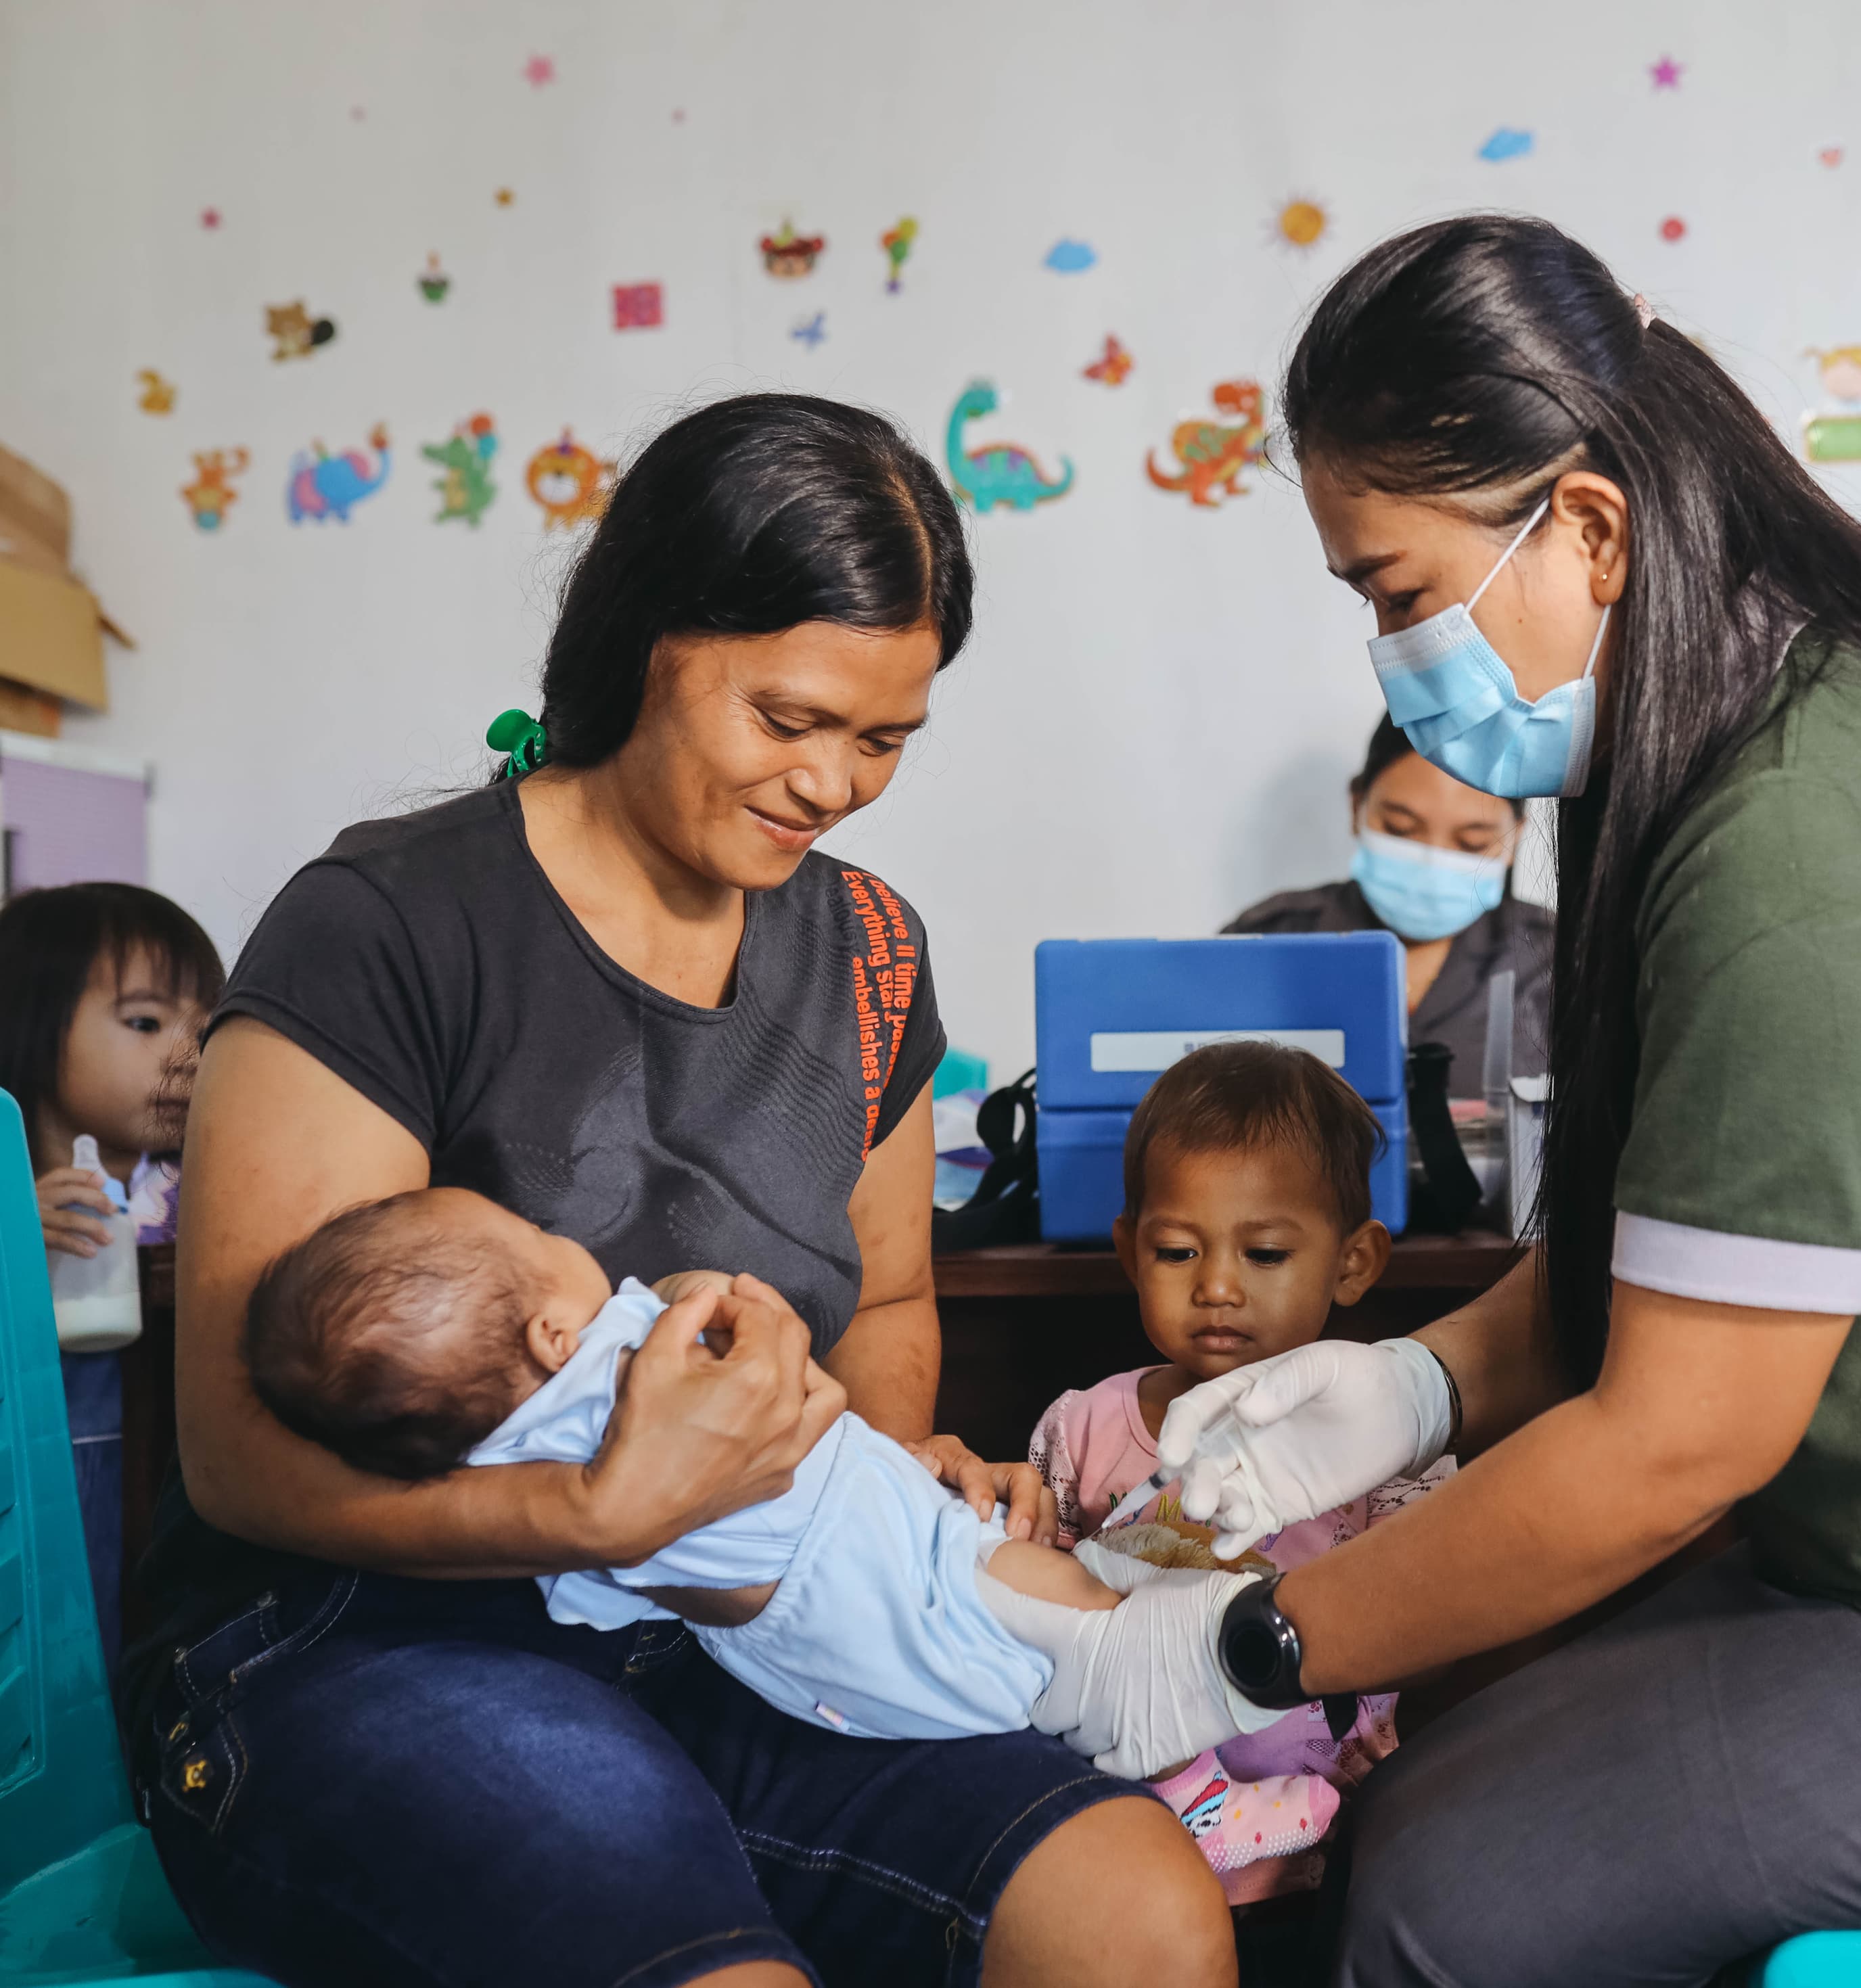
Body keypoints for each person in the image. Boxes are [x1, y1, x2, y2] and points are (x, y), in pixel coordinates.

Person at [1001, 216, 1861, 1985]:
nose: (1384, 649)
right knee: (1452, 1726)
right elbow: (1656, 1240)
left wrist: (1242, 1647)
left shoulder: (1810, 844)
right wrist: (1413, 1380)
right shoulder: (1684, 739)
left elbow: (1680, 1437)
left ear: (1585, 529)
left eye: (1391, 589)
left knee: (1451, 1887)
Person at [124, 394, 1232, 1988]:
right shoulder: (388, 923)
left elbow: (893, 1300)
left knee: (1138, 1907)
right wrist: (592, 1511)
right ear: (655, 640)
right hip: (369, 1636)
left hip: (734, 1619)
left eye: (883, 737)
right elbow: (239, 1456)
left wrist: (896, 1459)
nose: (835, 781)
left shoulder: (867, 954)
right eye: (787, 717)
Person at [236, 1185, 1211, 1739]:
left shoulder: (499, 1454)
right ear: (550, 1330)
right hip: (859, 1554)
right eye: (539, 1237)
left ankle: (1155, 1683)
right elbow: (728, 1333)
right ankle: (1191, 1727)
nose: (564, 1236)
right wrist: (702, 1285)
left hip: (804, 1640)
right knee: (1042, 1598)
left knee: (1018, 1652)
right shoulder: (613, 1356)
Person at [1020, 1041, 1448, 1902]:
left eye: (1264, 1255)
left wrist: (1400, 1748)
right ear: (1130, 1250)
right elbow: (1035, 1601)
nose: (1217, 1284)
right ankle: (1197, 1806)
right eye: (1179, 1251)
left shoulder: (1384, 1434)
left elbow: (1432, 1601)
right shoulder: (1083, 1427)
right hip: (1130, 1813)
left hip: (1334, 1806)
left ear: (1354, 1261)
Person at [0, 883, 223, 1660]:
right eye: (146, 1021)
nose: (192, 1049)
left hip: (162, 1526)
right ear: (28, 1022)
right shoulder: (7, 1193)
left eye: (208, 1022)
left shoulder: (206, 1189)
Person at [1226, 718, 1549, 1094]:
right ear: (1356, 806)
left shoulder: (1553, 959)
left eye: (1472, 842)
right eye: (1400, 828)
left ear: (1515, 837)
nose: (1432, 864)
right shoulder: (1269, 940)